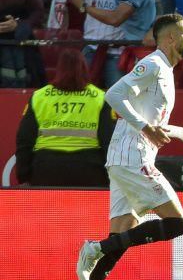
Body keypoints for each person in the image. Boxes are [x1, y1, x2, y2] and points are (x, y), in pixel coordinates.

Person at [55, 14, 183, 280]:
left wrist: (180, 132)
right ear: (169, 40)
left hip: (127, 158)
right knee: (177, 224)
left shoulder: (165, 71)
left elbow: (150, 117)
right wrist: (145, 127)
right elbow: (113, 95)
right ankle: (94, 249)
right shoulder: (152, 65)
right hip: (132, 157)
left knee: (121, 238)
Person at [15, 48, 115, 187]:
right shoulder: (100, 97)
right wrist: (113, 177)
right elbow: (109, 141)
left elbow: (24, 139)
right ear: (84, 68)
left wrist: (24, 175)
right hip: (90, 170)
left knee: (47, 210)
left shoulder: (40, 96)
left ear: (59, 69)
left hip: (46, 169)